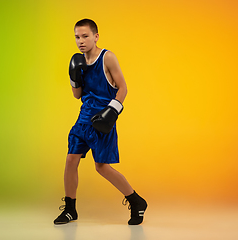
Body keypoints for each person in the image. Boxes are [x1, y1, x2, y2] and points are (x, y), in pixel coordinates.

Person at [54, 19, 147, 225]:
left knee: (102, 167)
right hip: (83, 120)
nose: (81, 41)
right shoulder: (78, 61)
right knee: (71, 160)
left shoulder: (107, 57)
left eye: (85, 36)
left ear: (96, 36)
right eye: (77, 37)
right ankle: (70, 209)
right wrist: (74, 76)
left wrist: (112, 112)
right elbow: (77, 95)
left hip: (103, 120)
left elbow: (123, 88)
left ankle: (136, 201)